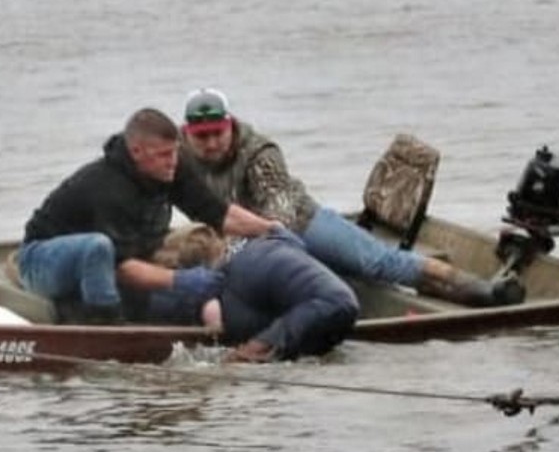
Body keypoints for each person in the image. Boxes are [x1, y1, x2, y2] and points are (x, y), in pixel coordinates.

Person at [177, 87, 523, 307]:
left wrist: (233, 251)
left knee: (377, 263)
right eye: (201, 136)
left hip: (300, 223)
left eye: (217, 134)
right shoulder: (175, 157)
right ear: (187, 133)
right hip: (242, 243)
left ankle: (478, 288)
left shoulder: (259, 153)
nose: (210, 144)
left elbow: (278, 216)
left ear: (230, 125)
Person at [17, 106, 277, 327]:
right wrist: (180, 280)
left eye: (176, 151)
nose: (173, 161)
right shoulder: (106, 188)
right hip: (42, 261)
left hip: (123, 256)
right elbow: (122, 267)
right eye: (164, 155)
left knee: (200, 244)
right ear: (137, 152)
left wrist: (270, 229)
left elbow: (218, 214)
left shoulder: (171, 167)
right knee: (98, 249)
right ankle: (103, 324)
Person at [155, 224, 359, 362]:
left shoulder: (236, 275)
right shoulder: (263, 248)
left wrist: (260, 346)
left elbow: (338, 302)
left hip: (329, 305)